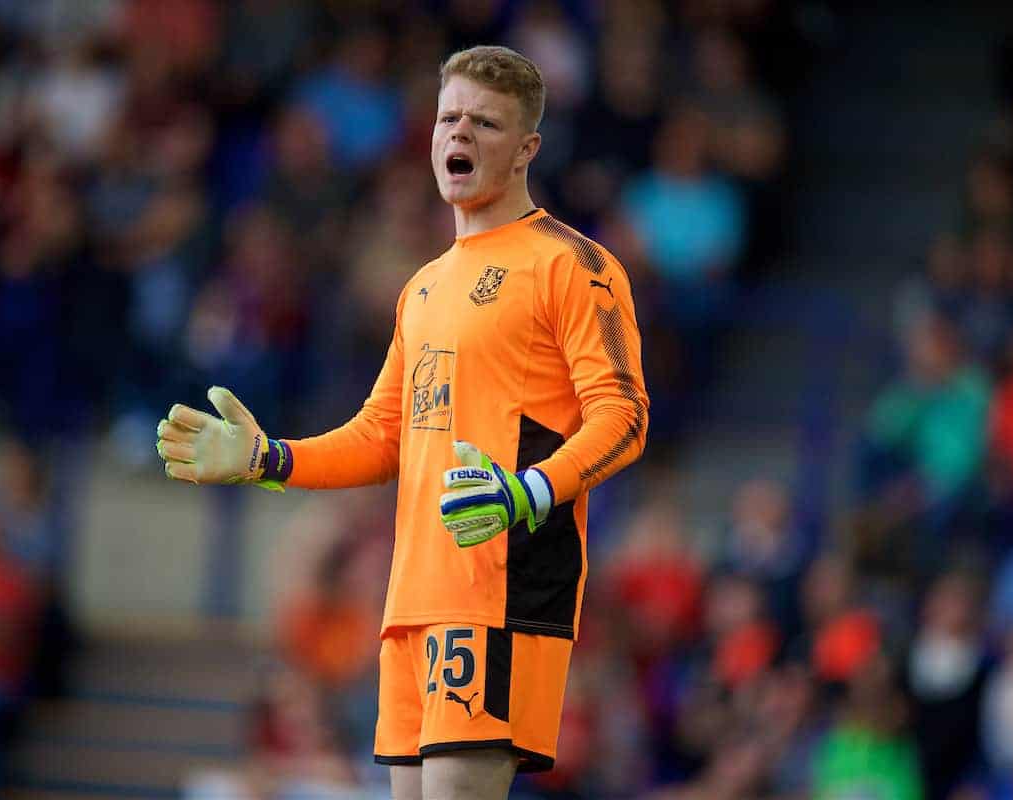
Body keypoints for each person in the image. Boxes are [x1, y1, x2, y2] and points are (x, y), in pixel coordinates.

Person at [155, 45, 648, 800]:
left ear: (527, 149)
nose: (462, 134)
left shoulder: (571, 265)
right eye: (450, 117)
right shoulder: (422, 288)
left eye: (486, 123)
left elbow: (625, 416)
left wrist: (527, 493)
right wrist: (266, 457)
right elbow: (381, 434)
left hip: (501, 588)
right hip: (411, 603)